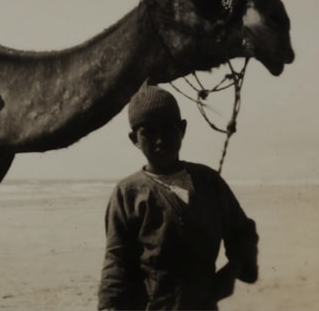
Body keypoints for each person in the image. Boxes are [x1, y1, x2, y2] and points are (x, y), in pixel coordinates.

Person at [97, 85, 259, 310]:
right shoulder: (128, 193)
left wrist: (233, 270)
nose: (160, 139)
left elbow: (242, 231)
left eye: (168, 128)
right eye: (148, 132)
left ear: (182, 129)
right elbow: (117, 264)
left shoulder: (208, 181)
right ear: (134, 138)